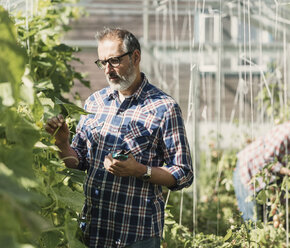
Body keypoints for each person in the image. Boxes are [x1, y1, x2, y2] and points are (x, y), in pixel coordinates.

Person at [45, 28, 193, 247]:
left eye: (114, 61)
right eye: (102, 62)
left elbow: (183, 172)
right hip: (93, 230)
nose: (107, 70)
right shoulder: (95, 103)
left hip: (137, 234)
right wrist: (63, 143)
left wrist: (140, 171)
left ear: (135, 56)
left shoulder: (163, 108)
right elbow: (78, 163)